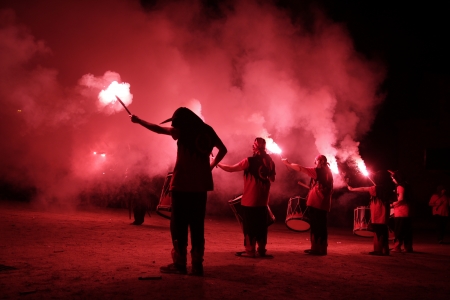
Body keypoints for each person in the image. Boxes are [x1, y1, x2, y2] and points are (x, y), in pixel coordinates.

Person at [130, 107, 227, 276]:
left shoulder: (183, 130)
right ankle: (197, 265)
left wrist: (139, 121)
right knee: (197, 225)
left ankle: (180, 263)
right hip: (201, 186)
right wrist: (209, 167)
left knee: (179, 225)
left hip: (182, 185)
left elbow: (159, 129)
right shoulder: (208, 130)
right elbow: (223, 150)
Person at [217, 138, 276, 258]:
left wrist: (217, 162)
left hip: (250, 201)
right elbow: (272, 179)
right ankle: (261, 250)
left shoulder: (249, 161)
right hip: (263, 201)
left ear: (254, 147)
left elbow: (231, 169)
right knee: (261, 227)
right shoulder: (270, 162)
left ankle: (250, 251)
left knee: (249, 227)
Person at [282, 155, 333, 255]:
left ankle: (315, 249)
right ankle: (323, 249)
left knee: (315, 226)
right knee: (322, 226)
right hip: (324, 204)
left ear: (319, 161)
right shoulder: (329, 173)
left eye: (316, 161)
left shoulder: (318, 171)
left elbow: (301, 168)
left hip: (316, 203)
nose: (315, 163)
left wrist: (288, 163)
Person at [347, 171, 393, 255]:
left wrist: (352, 189)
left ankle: (378, 250)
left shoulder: (375, 189)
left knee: (378, 232)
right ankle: (385, 250)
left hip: (377, 213)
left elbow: (364, 189)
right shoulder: (387, 188)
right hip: (385, 214)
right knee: (384, 232)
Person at [389, 170, 413, 253]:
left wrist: (393, 204)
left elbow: (401, 199)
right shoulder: (407, 184)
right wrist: (393, 173)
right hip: (407, 211)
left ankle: (397, 247)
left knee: (399, 230)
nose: (392, 180)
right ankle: (408, 248)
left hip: (401, 211)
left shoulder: (400, 186)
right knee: (407, 230)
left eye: (393, 178)